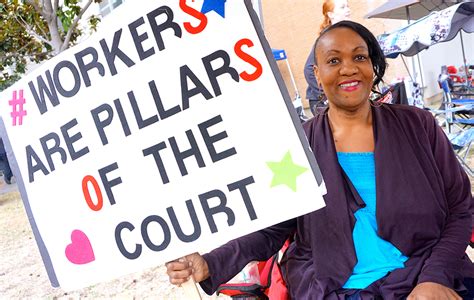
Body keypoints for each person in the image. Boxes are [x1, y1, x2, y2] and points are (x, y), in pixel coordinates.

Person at [167, 21, 474, 299]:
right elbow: (273, 228)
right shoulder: (299, 146)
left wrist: (435, 278)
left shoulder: (418, 125)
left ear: (372, 65)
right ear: (316, 73)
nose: (349, 68)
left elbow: (461, 209)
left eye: (359, 57)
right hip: (336, 288)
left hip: (427, 275)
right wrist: (210, 262)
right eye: (333, 60)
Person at [305, 0, 351, 116]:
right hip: (322, 101)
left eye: (347, 6)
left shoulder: (343, 35)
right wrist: (326, 95)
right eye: (342, 7)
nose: (348, 10)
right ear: (331, 14)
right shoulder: (327, 38)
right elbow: (309, 69)